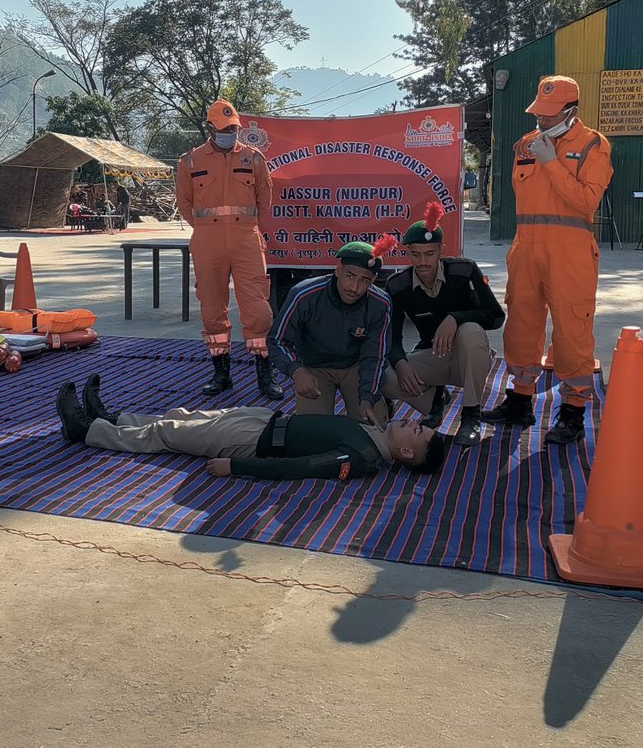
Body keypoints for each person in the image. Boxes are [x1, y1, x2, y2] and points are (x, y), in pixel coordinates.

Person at [481, 75, 613, 445]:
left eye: (550, 114)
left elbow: (586, 201)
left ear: (572, 110)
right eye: (539, 112)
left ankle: (572, 410)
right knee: (521, 323)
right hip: (526, 248)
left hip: (570, 252)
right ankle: (520, 401)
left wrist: (552, 162)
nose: (541, 120)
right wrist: (544, 153)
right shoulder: (526, 144)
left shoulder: (593, 145)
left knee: (572, 330)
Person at [55, 374, 445, 480]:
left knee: (167, 434)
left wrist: (235, 467)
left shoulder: (359, 460)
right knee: (184, 417)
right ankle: (113, 417)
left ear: (407, 453)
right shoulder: (373, 435)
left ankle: (86, 431)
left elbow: (296, 469)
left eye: (417, 432)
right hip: (265, 420)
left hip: (251, 442)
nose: (413, 423)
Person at [177, 97, 283, 400]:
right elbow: (185, 203)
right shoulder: (191, 161)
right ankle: (221, 373)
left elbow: (265, 198)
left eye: (234, 128)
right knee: (212, 309)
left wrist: (242, 225)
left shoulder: (254, 158)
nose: (230, 132)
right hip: (207, 239)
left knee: (258, 309)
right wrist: (208, 227)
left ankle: (264, 373)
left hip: (245, 236)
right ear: (210, 128)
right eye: (224, 128)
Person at [381, 202, 505, 447]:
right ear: (408, 253)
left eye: (429, 253)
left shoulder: (464, 270)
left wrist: (456, 318)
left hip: (467, 358)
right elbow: (390, 338)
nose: (423, 261)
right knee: (385, 377)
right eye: (416, 254)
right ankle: (435, 400)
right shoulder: (397, 285)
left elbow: (495, 316)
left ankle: (471, 416)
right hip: (431, 355)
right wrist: (400, 362)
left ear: (441, 251)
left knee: (471, 331)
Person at [269, 238, 396, 428]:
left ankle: (381, 402)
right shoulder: (303, 294)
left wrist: (368, 397)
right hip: (314, 367)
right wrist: (296, 371)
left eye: (364, 280)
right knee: (312, 431)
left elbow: (375, 356)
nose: (354, 287)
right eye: (350, 276)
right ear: (338, 269)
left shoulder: (381, 303)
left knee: (373, 428)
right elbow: (277, 340)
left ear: (374, 280)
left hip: (356, 366)